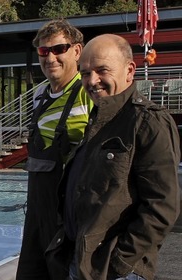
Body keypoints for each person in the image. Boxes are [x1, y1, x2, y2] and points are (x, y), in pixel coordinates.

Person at [47, 34, 180, 280]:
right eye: (85, 73)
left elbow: (162, 207)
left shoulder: (148, 122)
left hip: (112, 269)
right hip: (81, 262)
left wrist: (118, 262)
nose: (92, 81)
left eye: (102, 70)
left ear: (129, 71)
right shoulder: (99, 120)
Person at [16, 19, 93, 280]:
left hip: (70, 213)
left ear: (77, 51)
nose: (51, 57)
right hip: (38, 212)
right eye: (43, 51)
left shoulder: (88, 91)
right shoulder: (39, 95)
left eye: (59, 49)